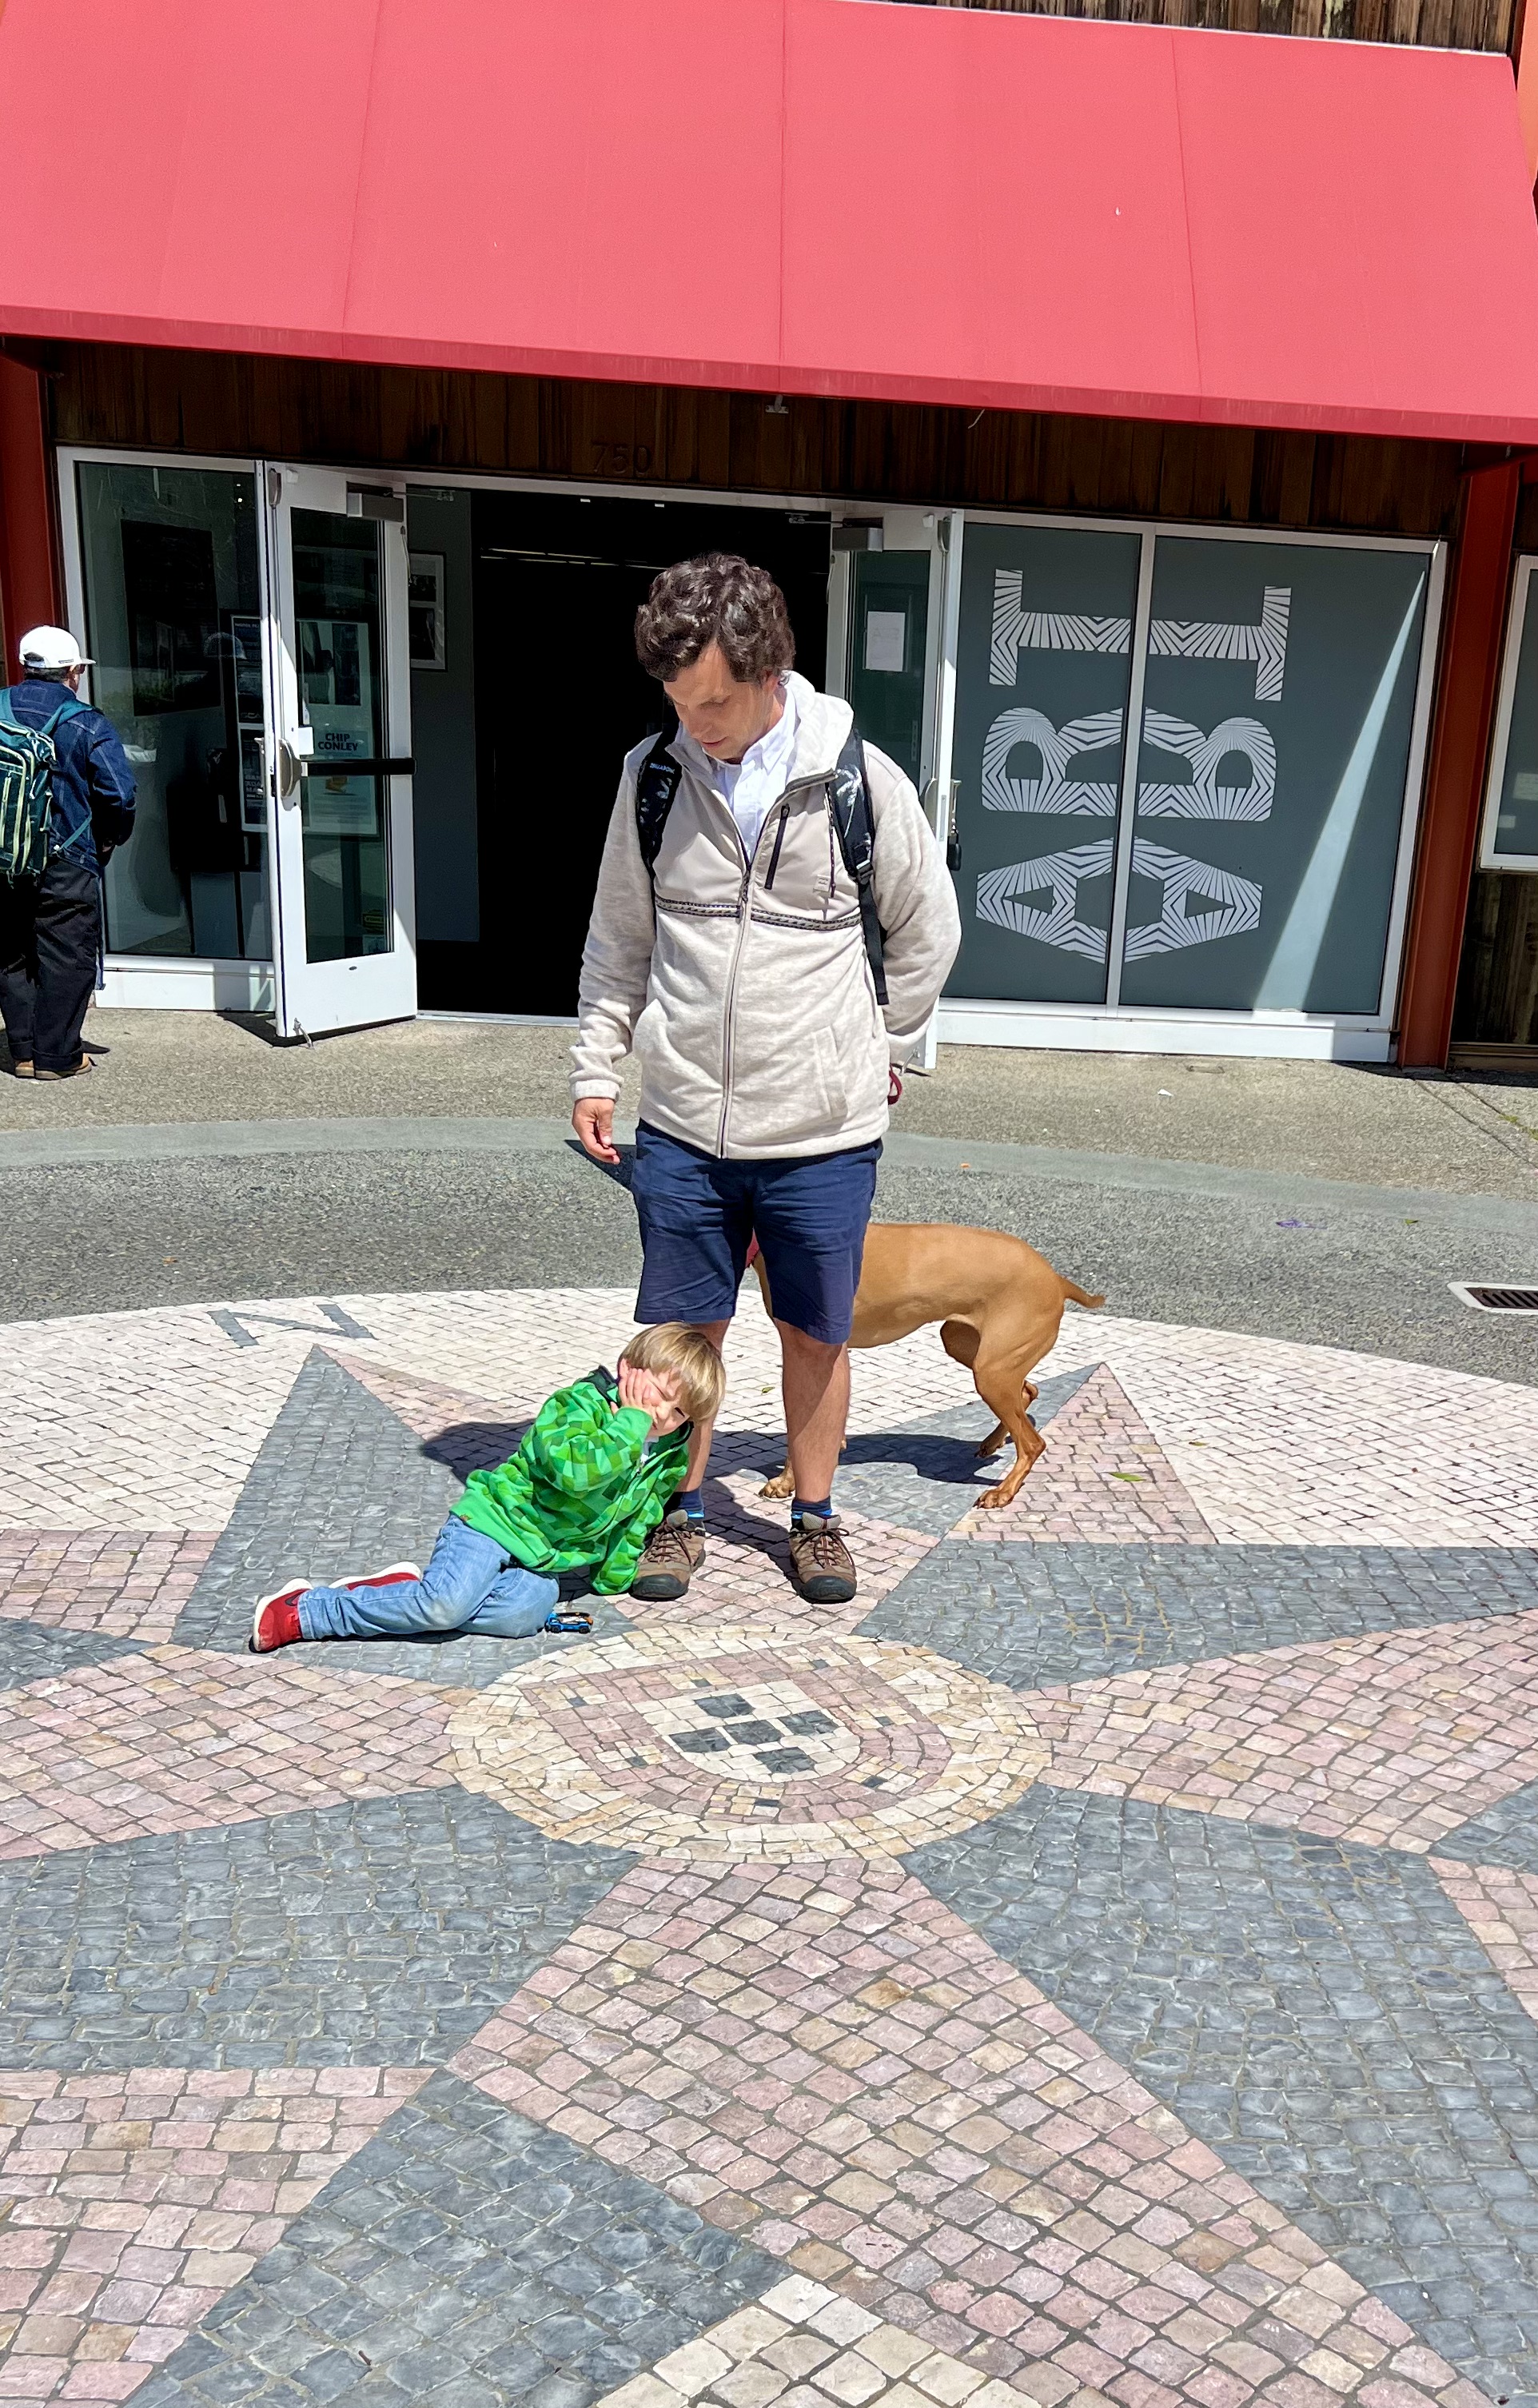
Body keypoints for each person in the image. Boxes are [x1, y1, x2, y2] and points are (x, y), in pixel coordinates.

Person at [572, 553, 960, 1609]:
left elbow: (928, 925)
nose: (696, 721)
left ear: (768, 668)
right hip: (687, 1123)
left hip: (822, 1134)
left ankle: (816, 1518)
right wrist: (597, 1066)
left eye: (713, 699)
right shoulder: (653, 778)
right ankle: (676, 1516)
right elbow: (619, 937)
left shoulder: (856, 777)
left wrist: (882, 1046)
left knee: (816, 1333)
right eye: (677, 701)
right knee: (679, 1340)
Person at [248, 1322, 726, 1653]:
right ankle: (310, 1610)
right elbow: (579, 1474)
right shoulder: (575, 1408)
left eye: (680, 1412)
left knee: (521, 1617)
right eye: (658, 1396)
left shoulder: (668, 1448)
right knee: (444, 1606)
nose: (663, 1416)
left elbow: (639, 1513)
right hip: (491, 1525)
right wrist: (631, 1421)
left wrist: (614, 1574)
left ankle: (403, 1592)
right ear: (627, 1370)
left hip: (540, 1557)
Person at [0, 626, 136, 1081]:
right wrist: (110, 838)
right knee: (67, 953)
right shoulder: (86, 721)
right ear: (73, 672)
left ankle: (22, 1053)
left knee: (11, 950)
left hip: (3, 857)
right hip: (67, 856)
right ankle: (58, 1057)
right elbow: (119, 793)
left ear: (24, 666)